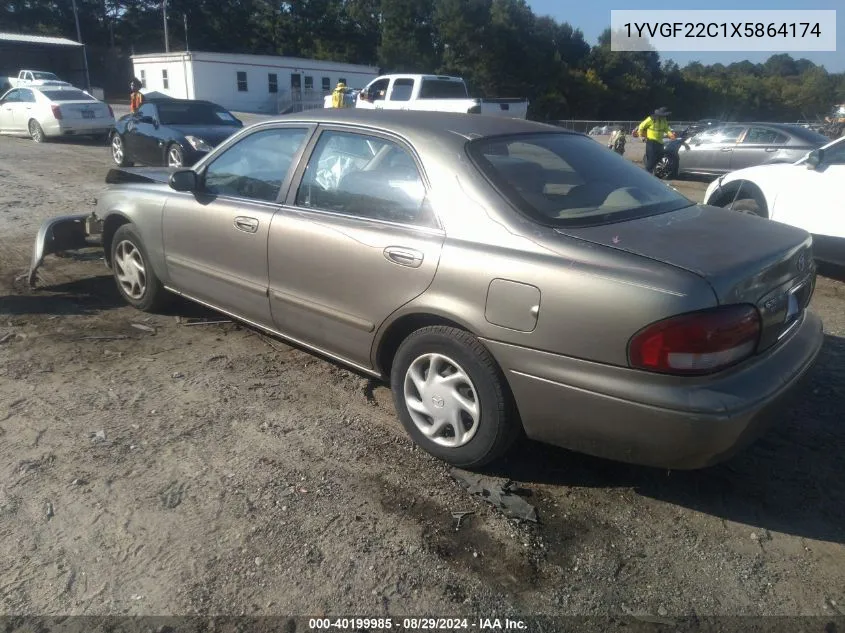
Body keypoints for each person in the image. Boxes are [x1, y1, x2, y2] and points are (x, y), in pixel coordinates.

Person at [637, 107, 675, 174]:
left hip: (660, 142)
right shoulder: (651, 119)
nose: (664, 117)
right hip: (651, 142)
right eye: (663, 115)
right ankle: (647, 173)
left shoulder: (664, 120)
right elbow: (641, 126)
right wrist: (641, 136)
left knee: (660, 156)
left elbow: (666, 129)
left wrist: (670, 134)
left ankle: (650, 170)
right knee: (651, 159)